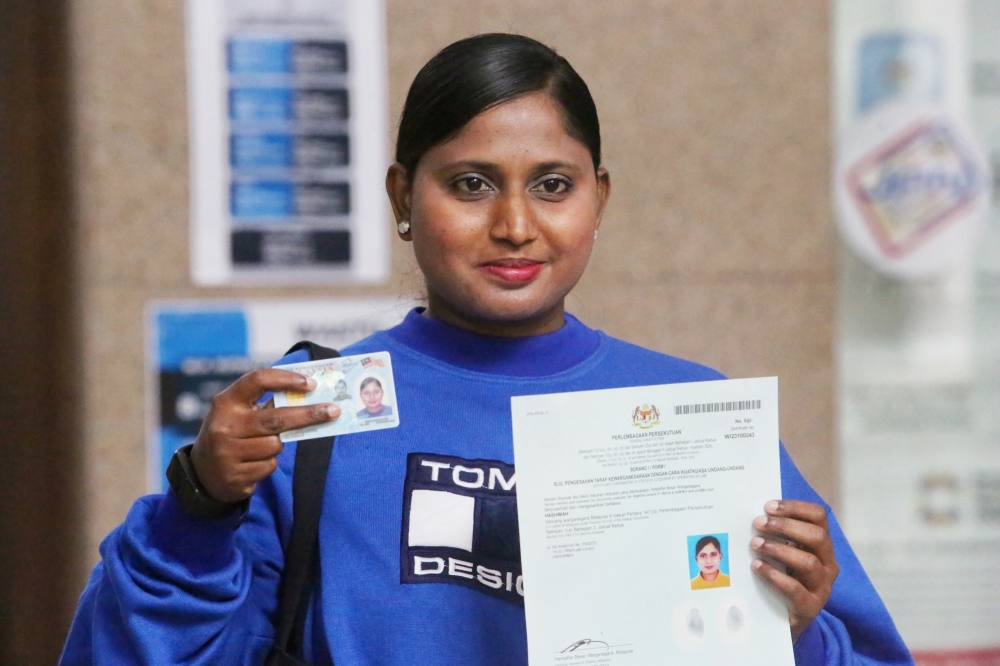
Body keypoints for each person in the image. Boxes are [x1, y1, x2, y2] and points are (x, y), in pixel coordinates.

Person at [60, 33, 913, 666]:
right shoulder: (313, 413)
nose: (514, 224)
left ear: (598, 199)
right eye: (470, 184)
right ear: (402, 195)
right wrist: (200, 505)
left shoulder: (694, 419)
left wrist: (796, 630)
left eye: (553, 185)